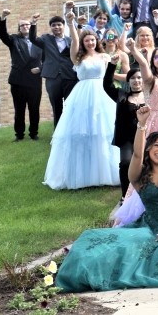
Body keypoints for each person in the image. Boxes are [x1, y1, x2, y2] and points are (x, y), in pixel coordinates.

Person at [56, 106, 158, 292]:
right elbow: (136, 155)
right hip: (149, 225)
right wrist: (142, 125)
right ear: (148, 148)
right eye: (157, 145)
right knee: (100, 240)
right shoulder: (138, 175)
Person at [43, 12, 118, 190]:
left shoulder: (104, 57)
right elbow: (75, 43)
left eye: (92, 40)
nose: (90, 42)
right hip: (82, 94)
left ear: (96, 41)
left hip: (102, 94)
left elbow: (112, 73)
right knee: (81, 133)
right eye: (87, 41)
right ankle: (81, 174)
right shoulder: (78, 58)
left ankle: (106, 173)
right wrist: (71, 24)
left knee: (103, 132)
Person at [0, 9, 42, 142]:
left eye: (28, 24)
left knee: (34, 109)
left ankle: (34, 133)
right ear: (19, 28)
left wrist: (40, 68)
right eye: (22, 25)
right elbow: (2, 34)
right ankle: (19, 135)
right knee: (19, 109)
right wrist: (3, 18)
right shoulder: (14, 40)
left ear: (32, 26)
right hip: (18, 81)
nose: (25, 26)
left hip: (34, 81)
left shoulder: (39, 42)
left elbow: (47, 60)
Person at [103, 66, 144, 203]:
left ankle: (143, 194)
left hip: (145, 137)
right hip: (126, 138)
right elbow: (107, 84)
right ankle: (125, 195)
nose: (136, 80)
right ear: (128, 81)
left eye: (139, 77)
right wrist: (112, 65)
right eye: (132, 78)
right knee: (126, 162)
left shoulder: (150, 96)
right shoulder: (122, 95)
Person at [29, 13, 77, 127]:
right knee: (56, 107)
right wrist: (33, 23)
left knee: (71, 106)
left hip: (69, 77)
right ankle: (58, 135)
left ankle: (71, 132)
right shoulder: (46, 39)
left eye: (59, 25)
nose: (56, 27)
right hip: (52, 78)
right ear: (51, 27)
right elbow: (33, 39)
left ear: (63, 26)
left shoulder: (71, 40)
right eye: (53, 25)